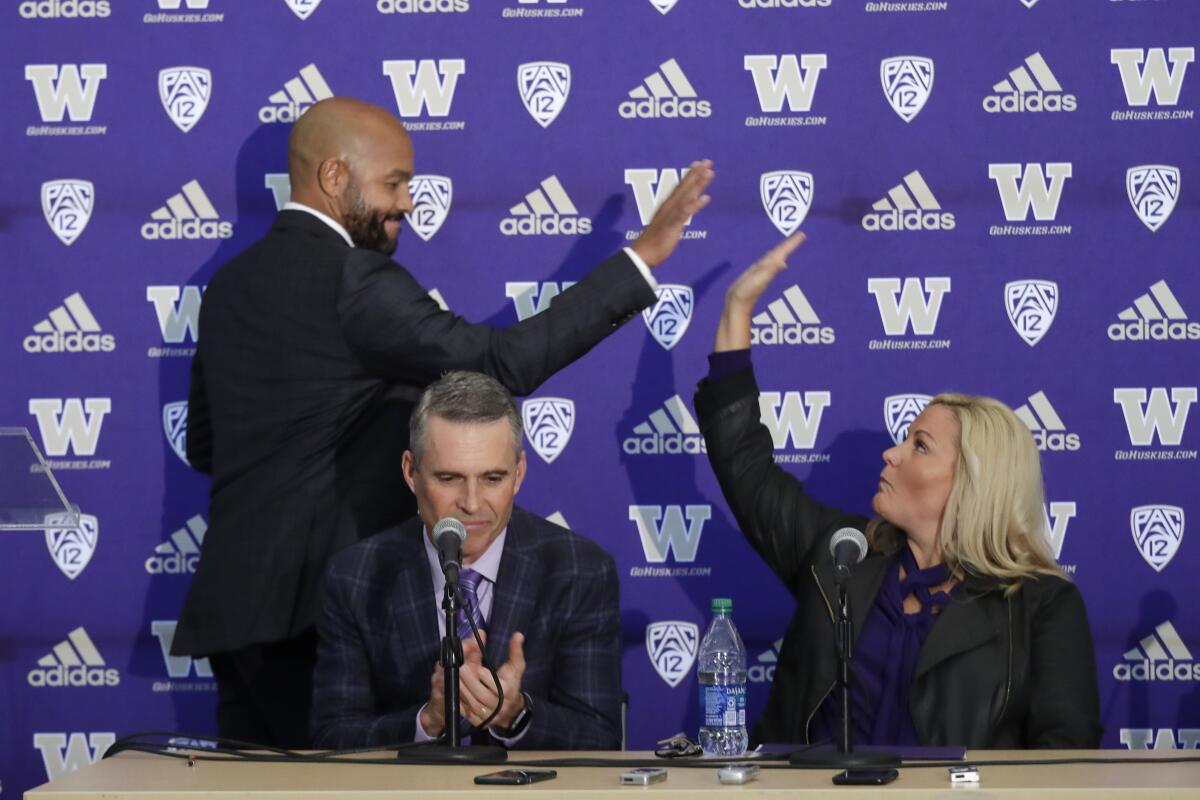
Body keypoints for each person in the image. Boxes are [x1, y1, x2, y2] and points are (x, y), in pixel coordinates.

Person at [175, 95, 713, 747]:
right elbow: (500, 363)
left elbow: (205, 445)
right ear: (334, 177)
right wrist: (642, 260)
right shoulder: (355, 279)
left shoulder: (228, 284)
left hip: (232, 615)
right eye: (394, 182)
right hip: (319, 614)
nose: (407, 203)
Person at [693, 233, 1102, 749]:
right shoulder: (839, 555)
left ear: (973, 482)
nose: (892, 453)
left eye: (920, 446)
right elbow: (744, 465)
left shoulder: (1041, 608)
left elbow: (1063, 764)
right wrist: (737, 308)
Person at [311, 371, 622, 749]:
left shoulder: (578, 569)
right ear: (411, 472)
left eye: (492, 478)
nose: (472, 504)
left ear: (519, 473)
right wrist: (429, 720)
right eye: (449, 478)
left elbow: (600, 739)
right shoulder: (357, 577)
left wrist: (514, 714)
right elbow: (333, 738)